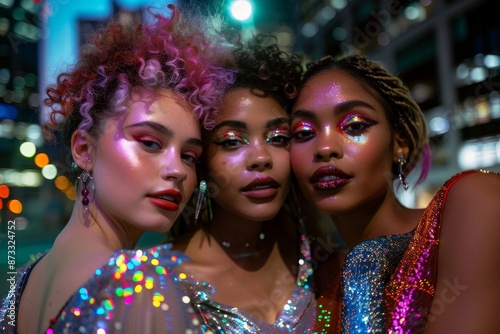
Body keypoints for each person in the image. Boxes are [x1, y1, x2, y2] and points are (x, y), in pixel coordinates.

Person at [0, 4, 236, 333]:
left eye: (189, 156)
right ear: (84, 149)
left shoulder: (21, 284)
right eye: (150, 143)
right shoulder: (138, 285)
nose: (178, 171)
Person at [289, 54, 500, 333]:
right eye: (304, 133)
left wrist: (363, 270)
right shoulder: (314, 287)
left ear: (399, 143)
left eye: (354, 126)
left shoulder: (473, 201)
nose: (325, 148)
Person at [170, 33, 316, 332]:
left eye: (278, 138)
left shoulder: (319, 256)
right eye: (232, 141)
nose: (261, 158)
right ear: (199, 159)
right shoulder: (161, 280)